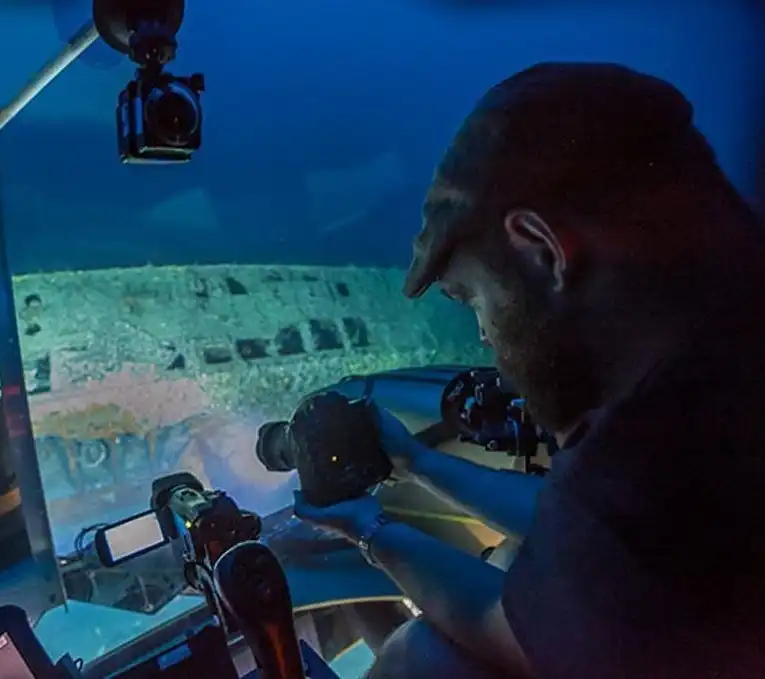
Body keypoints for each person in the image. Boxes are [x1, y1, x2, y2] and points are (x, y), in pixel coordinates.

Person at [292, 62, 765, 679]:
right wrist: (418, 462)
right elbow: (577, 523)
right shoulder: (705, 385)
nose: (484, 335)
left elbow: (508, 629)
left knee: (423, 658)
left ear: (543, 249)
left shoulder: (652, 455)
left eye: (473, 298)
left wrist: (368, 530)